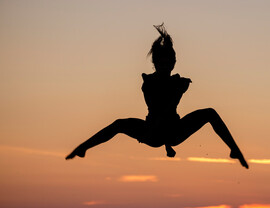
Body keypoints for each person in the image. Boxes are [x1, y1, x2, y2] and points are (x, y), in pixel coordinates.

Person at [66, 24, 248, 169]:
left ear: (174, 63)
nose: (165, 66)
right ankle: (83, 147)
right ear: (155, 63)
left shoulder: (178, 81)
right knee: (120, 124)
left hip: (175, 130)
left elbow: (170, 116)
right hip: (152, 132)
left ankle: (234, 149)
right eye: (161, 63)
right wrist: (178, 93)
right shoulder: (149, 83)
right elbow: (160, 113)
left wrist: (178, 91)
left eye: (168, 63)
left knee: (210, 112)